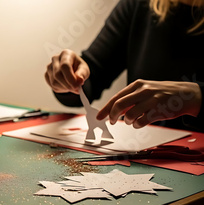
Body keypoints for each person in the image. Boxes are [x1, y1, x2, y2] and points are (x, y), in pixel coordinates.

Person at [45, 0, 204, 132]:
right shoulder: (139, 4)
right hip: (140, 150)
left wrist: (197, 98)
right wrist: (68, 78)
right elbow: (92, 77)